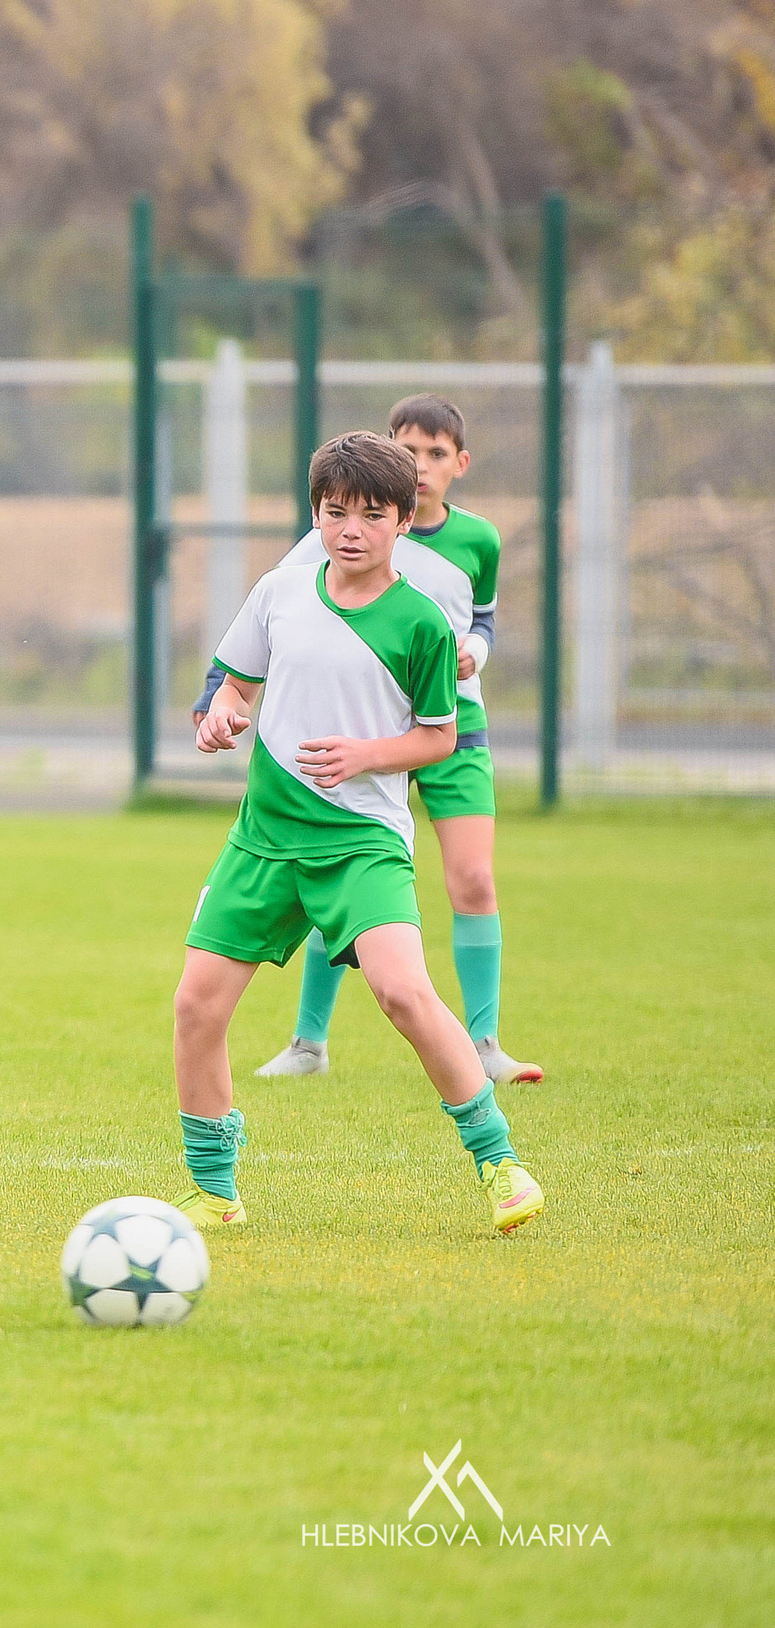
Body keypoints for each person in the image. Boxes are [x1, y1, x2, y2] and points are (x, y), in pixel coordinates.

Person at [180, 431, 545, 1237]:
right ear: (315, 513)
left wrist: (365, 755)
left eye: (371, 513)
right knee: (196, 1006)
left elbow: (440, 737)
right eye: (334, 510)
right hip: (263, 840)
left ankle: (501, 1164)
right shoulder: (280, 589)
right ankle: (213, 1190)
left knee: (404, 994)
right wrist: (218, 718)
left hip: (362, 842)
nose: (350, 527)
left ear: (405, 519)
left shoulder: (421, 623)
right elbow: (233, 683)